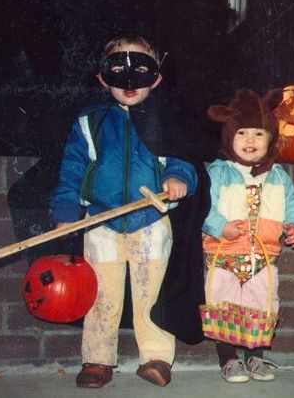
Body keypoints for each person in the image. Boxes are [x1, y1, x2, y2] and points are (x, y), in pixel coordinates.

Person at [50, 35, 199, 388]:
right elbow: (73, 166)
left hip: (152, 218)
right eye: (118, 73)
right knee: (101, 292)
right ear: (103, 79)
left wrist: (178, 177)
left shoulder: (165, 119)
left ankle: (157, 357)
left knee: (152, 291)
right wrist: (67, 207)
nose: (130, 85)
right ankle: (98, 359)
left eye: (141, 73)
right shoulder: (92, 121)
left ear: (156, 78)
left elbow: (183, 157)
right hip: (102, 221)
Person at [201, 88, 294, 383]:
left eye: (258, 134)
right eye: (243, 133)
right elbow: (202, 208)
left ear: (270, 139)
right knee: (223, 305)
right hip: (224, 254)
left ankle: (256, 359)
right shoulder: (219, 172)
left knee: (263, 304)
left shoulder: (278, 176)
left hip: (263, 255)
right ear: (229, 137)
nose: (250, 140)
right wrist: (218, 226)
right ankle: (230, 359)